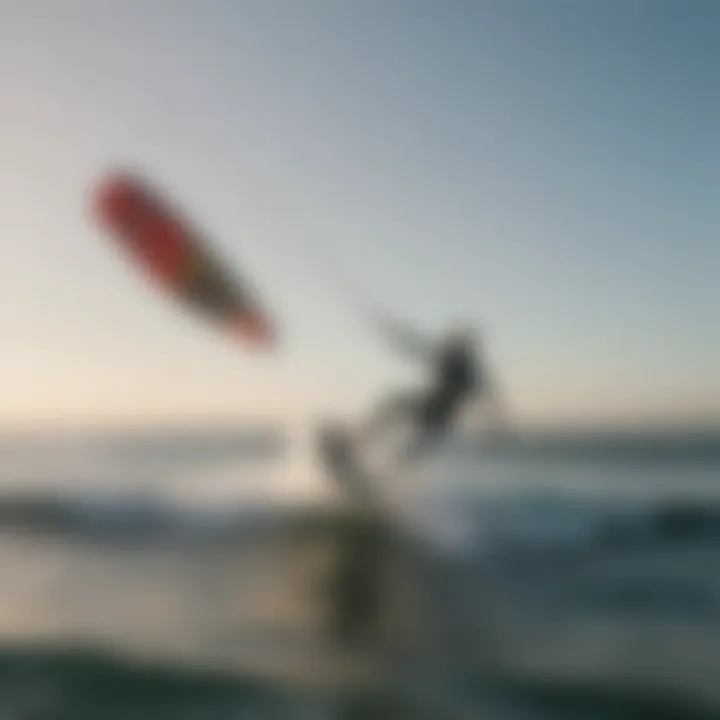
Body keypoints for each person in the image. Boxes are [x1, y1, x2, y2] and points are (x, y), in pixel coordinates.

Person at [362, 313, 502, 460]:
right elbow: (417, 345)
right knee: (393, 409)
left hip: (440, 415)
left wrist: (495, 430)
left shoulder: (467, 372)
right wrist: (394, 331)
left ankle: (391, 467)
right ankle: (364, 442)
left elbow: (488, 402)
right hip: (427, 405)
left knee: (415, 441)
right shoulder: (449, 359)